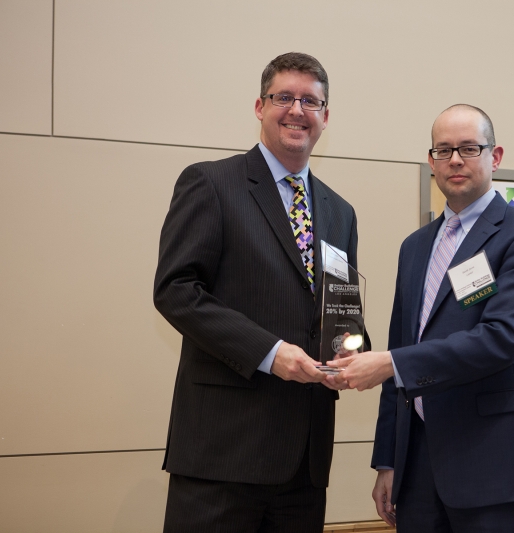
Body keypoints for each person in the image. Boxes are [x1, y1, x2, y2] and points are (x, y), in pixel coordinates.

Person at [330, 104, 514, 532]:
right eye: (443, 150)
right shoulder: (414, 246)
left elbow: (502, 339)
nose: (455, 160)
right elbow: (400, 345)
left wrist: (392, 363)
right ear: (432, 161)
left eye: (468, 148)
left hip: (497, 467)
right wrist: (387, 459)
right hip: (417, 472)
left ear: (495, 157)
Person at [154, 52, 359, 533]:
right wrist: (270, 353)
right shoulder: (211, 183)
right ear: (259, 106)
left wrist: (350, 352)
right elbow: (177, 290)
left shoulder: (340, 212)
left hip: (305, 464)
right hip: (224, 456)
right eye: (283, 97)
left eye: (310, 101)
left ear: (325, 116)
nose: (296, 110)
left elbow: (338, 308)